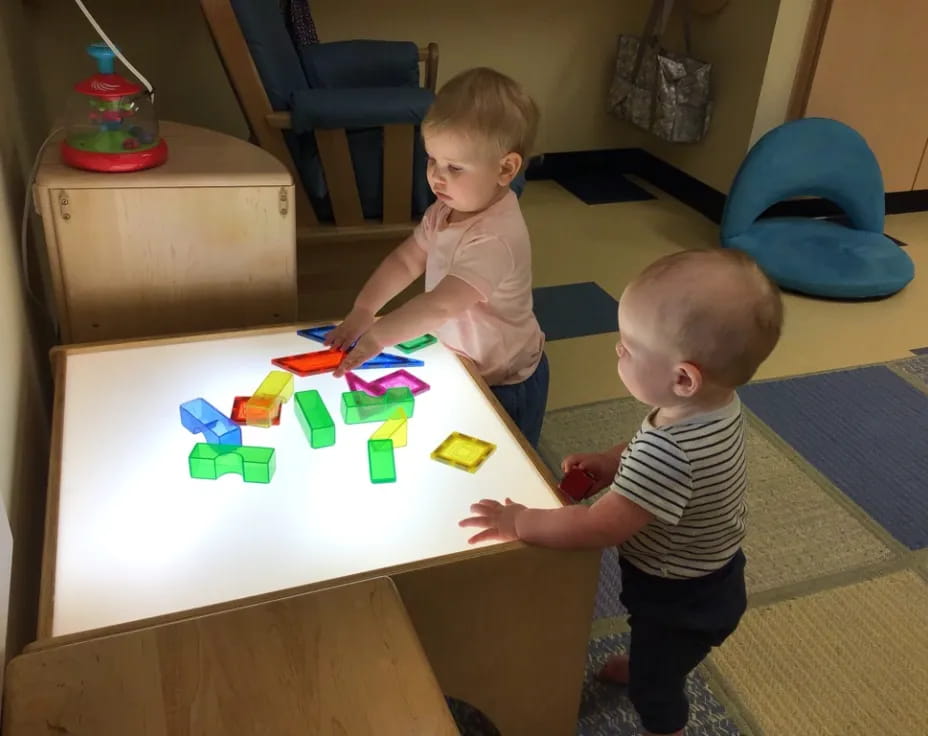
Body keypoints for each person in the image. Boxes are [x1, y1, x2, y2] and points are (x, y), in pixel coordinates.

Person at [459, 249, 784, 736]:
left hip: (680, 596)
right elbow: (647, 449)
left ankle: (665, 723)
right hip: (709, 575)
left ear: (682, 377)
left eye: (629, 347)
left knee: (657, 686)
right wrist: (614, 463)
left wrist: (520, 521)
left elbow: (599, 526)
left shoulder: (672, 449)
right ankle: (650, 660)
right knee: (656, 647)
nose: (617, 351)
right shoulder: (709, 406)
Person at [325, 67, 548, 447]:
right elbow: (407, 260)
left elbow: (442, 305)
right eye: (432, 160)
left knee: (512, 459)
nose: (436, 177)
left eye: (454, 167)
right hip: (465, 361)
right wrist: (365, 308)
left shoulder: (495, 238)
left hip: (506, 381)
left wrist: (378, 337)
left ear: (505, 168)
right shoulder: (445, 209)